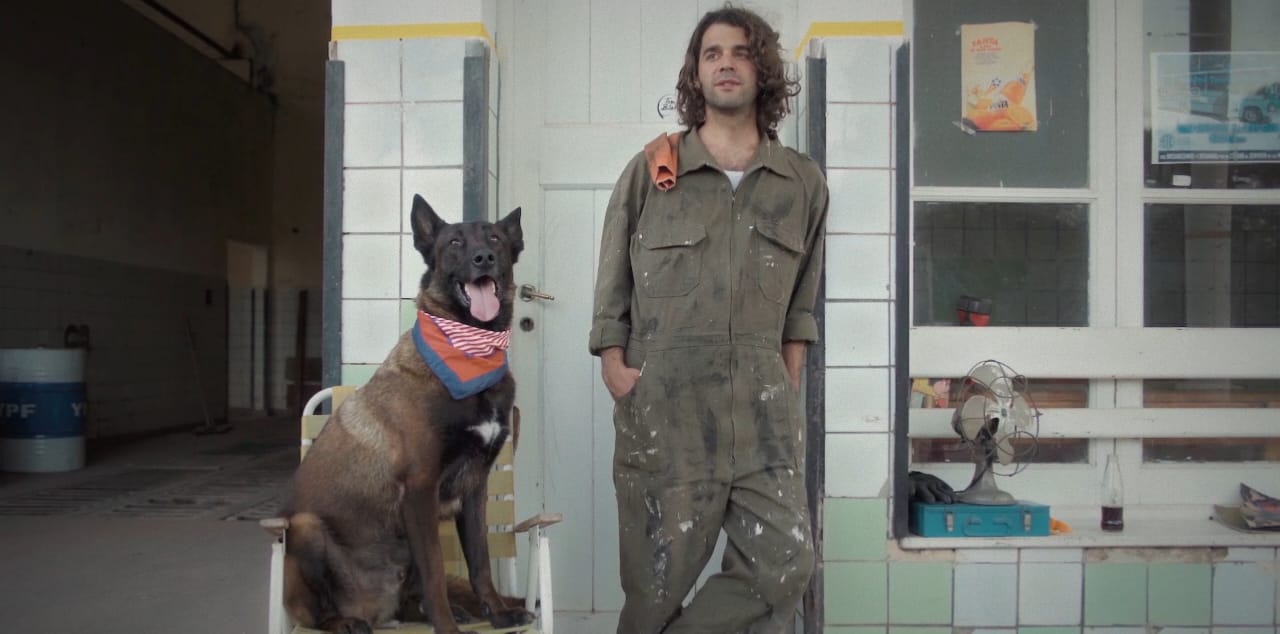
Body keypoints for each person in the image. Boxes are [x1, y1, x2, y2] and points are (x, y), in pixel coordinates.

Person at [588, 5, 829, 633]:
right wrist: (615, 366)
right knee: (654, 588)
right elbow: (612, 282)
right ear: (696, 74)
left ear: (763, 70)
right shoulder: (651, 171)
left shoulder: (800, 182)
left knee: (785, 563)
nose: (726, 64)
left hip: (763, 414)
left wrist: (789, 374)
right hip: (666, 409)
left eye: (742, 52)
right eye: (712, 53)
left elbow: (803, 299)